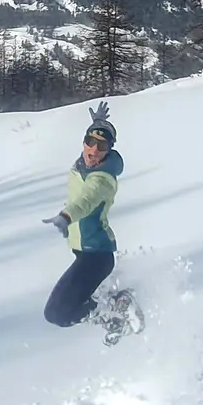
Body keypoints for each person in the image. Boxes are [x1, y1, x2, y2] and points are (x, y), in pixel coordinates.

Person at [42, 102, 131, 332]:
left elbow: (85, 201)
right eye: (90, 142)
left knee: (57, 313)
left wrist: (66, 216)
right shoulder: (84, 165)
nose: (93, 150)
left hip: (96, 258)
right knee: (58, 312)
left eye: (101, 146)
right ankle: (115, 313)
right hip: (87, 255)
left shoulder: (101, 179)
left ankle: (117, 308)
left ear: (109, 151)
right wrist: (98, 126)